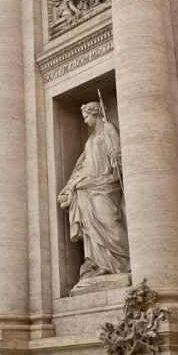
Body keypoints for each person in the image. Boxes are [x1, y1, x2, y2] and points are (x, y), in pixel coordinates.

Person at [58, 101, 129, 279]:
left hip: (107, 183)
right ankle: (100, 264)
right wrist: (71, 186)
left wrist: (117, 168)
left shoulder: (108, 129)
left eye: (87, 117)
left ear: (95, 113)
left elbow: (118, 153)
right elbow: (81, 165)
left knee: (110, 221)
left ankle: (124, 259)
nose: (85, 121)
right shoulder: (90, 139)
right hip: (90, 185)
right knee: (92, 226)